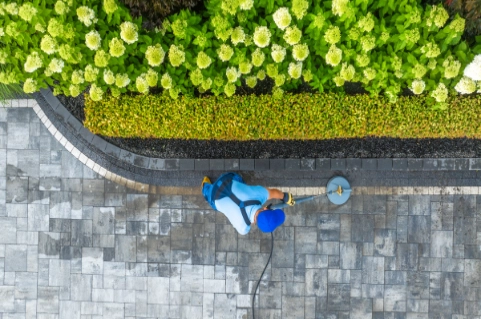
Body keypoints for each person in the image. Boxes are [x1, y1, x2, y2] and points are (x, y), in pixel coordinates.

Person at [201, 172, 295, 235]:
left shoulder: (259, 194)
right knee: (209, 195)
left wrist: (286, 197)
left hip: (226, 180)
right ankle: (205, 185)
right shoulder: (243, 229)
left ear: (266, 208)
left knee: (238, 179)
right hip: (214, 197)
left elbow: (273, 192)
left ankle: (206, 185)